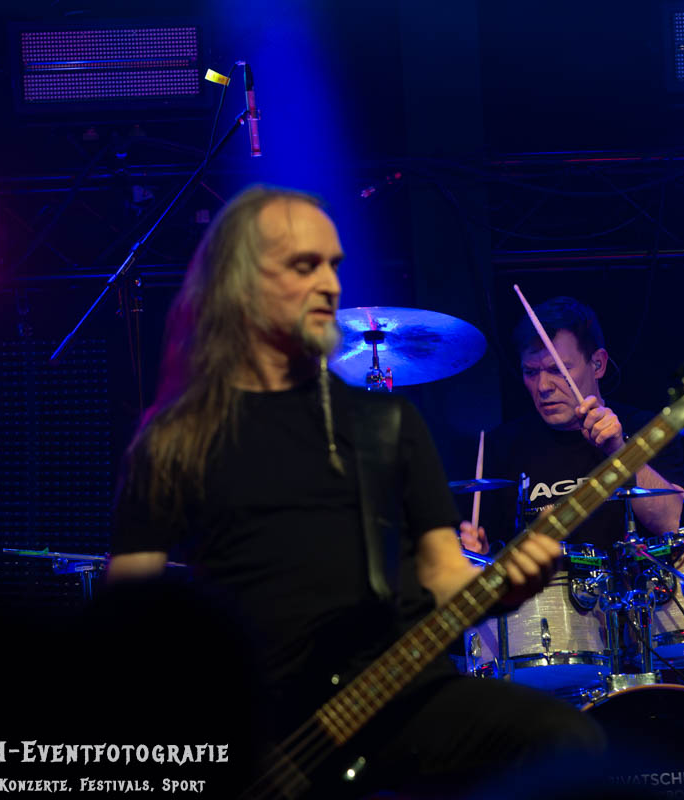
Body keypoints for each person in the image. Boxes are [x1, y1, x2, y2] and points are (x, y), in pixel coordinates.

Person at [106, 186, 604, 795]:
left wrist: (501, 587)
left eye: (334, 265)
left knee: (567, 739)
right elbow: (128, 610)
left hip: (398, 694)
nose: (329, 284)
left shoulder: (386, 424)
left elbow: (446, 573)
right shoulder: (178, 436)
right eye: (304, 265)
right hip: (265, 705)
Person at [464, 296, 684, 557]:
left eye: (557, 369)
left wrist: (619, 450)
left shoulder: (648, 430)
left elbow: (673, 523)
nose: (543, 387)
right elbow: (490, 554)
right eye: (531, 372)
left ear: (598, 364)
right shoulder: (501, 446)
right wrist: (478, 555)